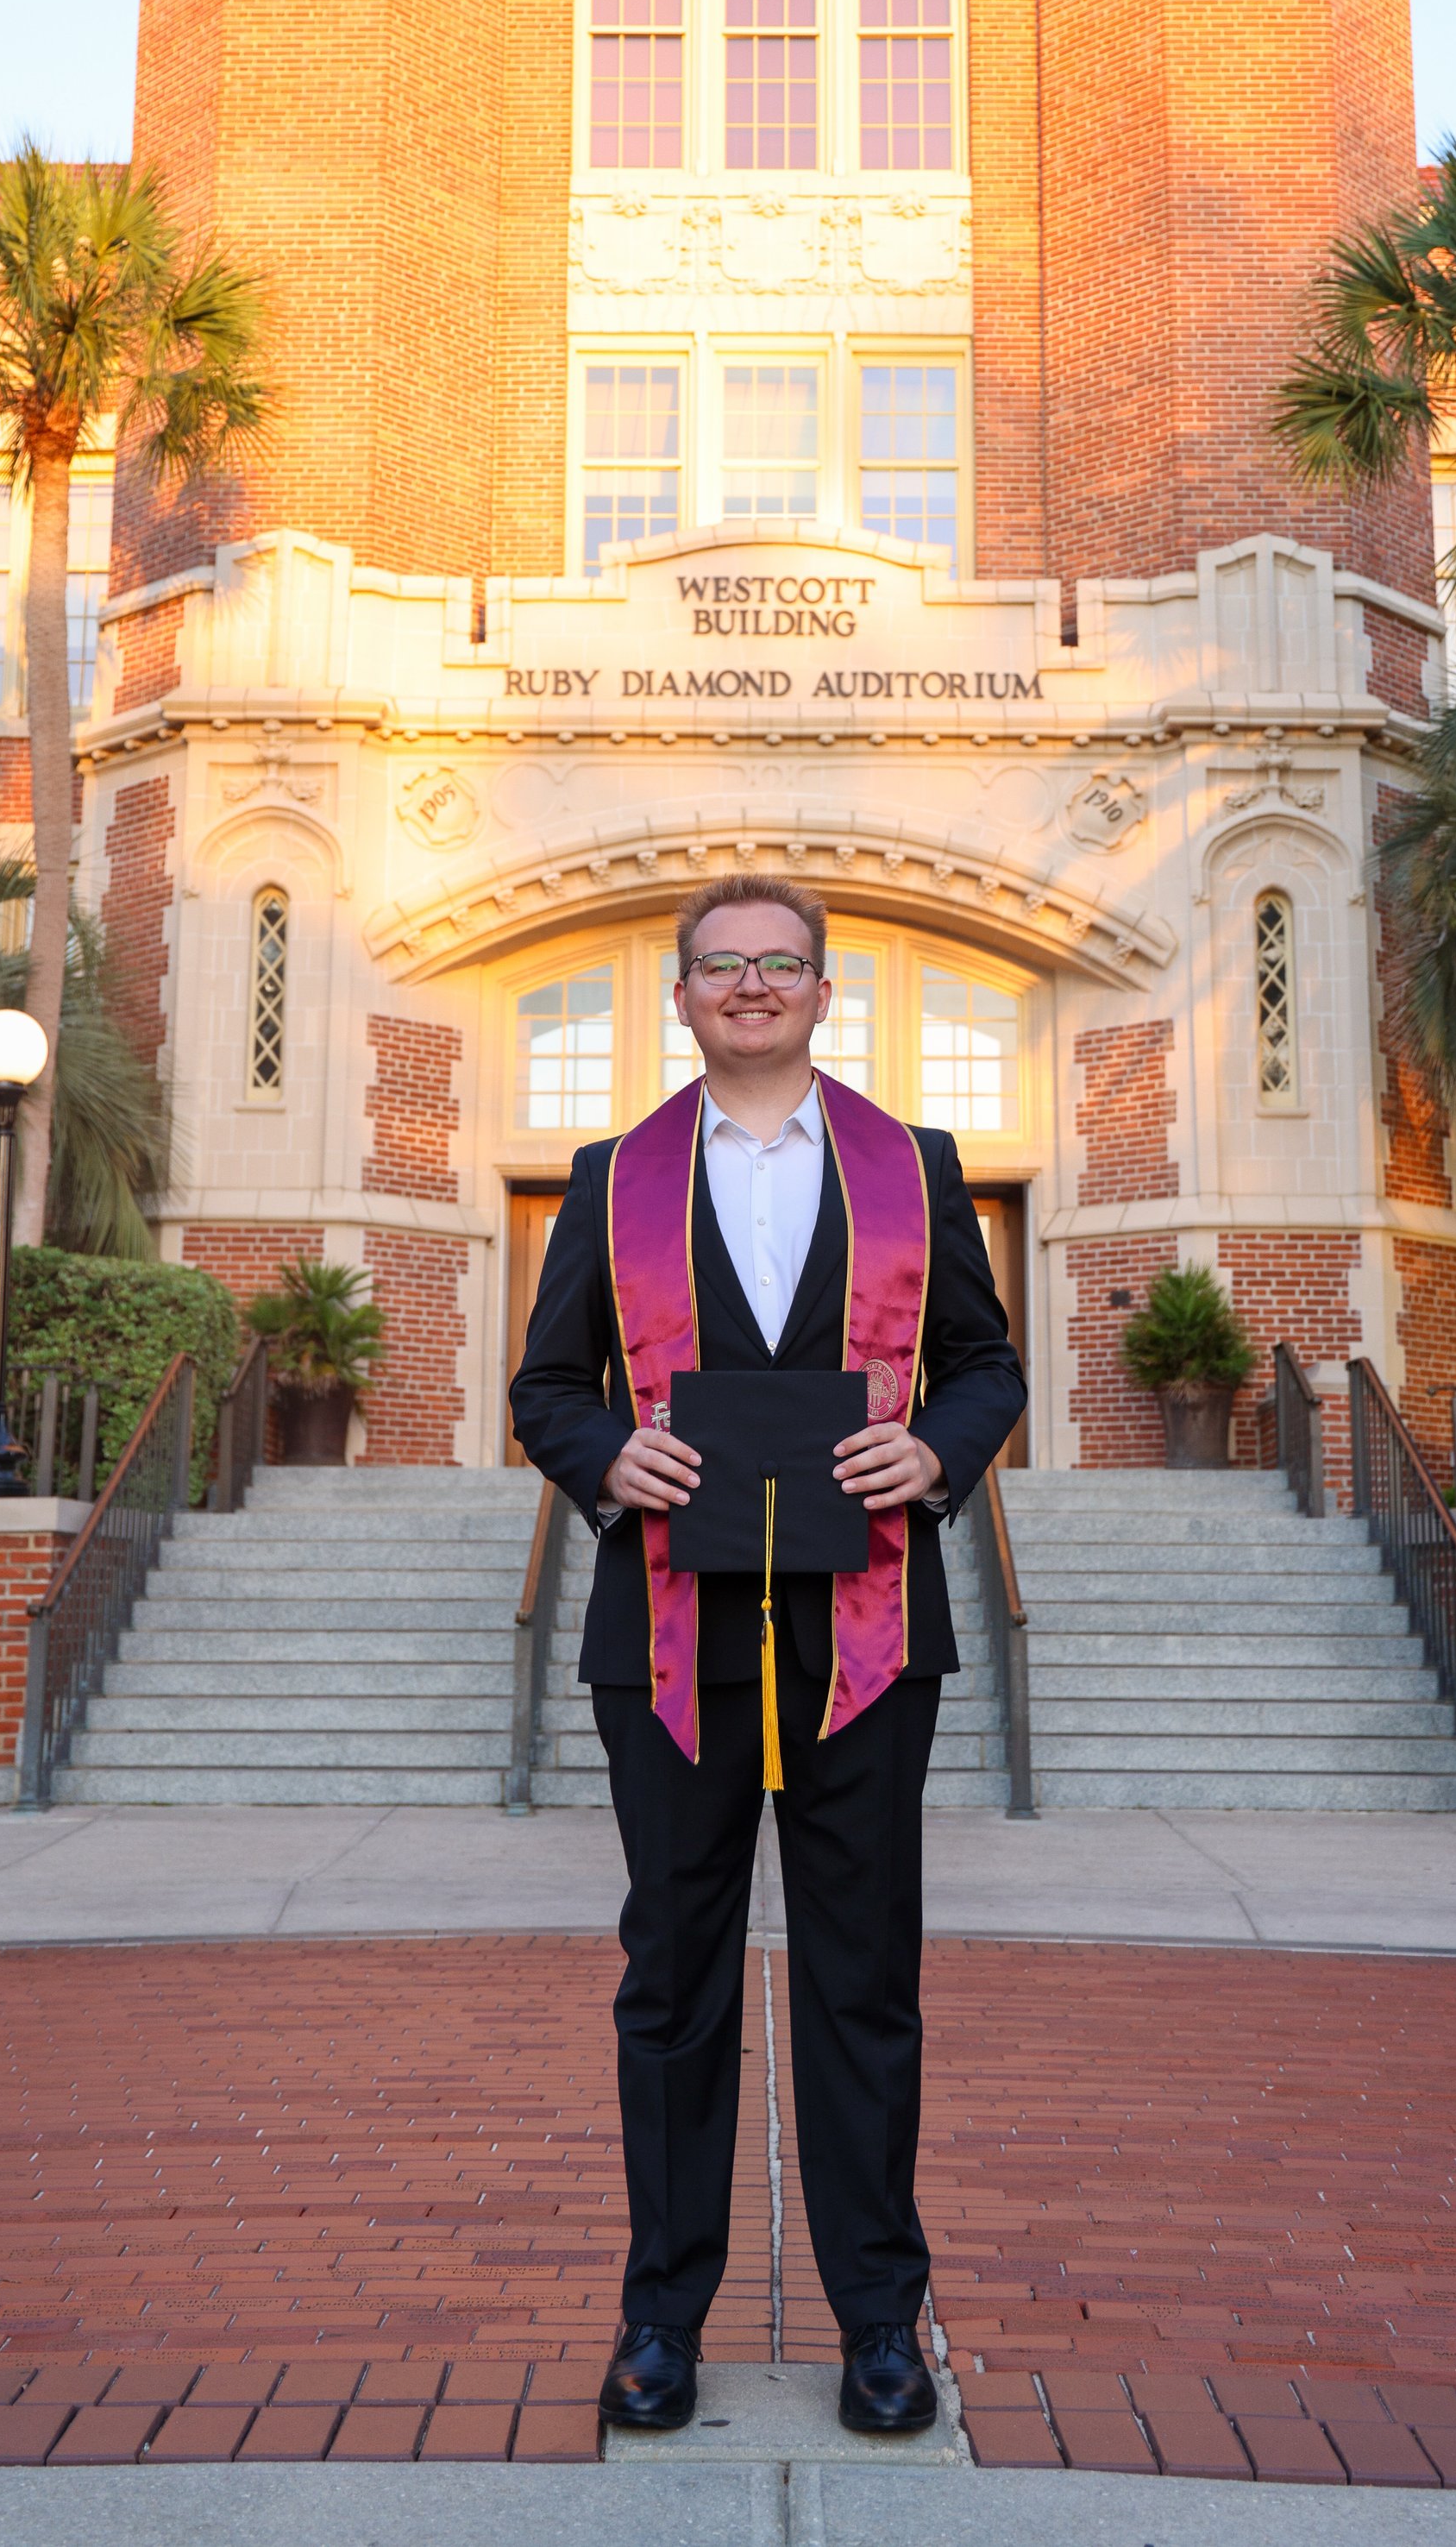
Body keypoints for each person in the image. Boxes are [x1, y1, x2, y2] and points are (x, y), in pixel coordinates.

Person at [510, 875, 1026, 2436]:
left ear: (820, 992)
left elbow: (984, 1364)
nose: (750, 985)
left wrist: (937, 1457)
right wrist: (609, 1461)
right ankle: (661, 2321)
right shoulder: (613, 1179)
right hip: (670, 1637)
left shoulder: (911, 1166)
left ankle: (881, 2322)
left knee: (864, 1982)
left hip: (862, 1632)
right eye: (720, 965)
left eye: (778, 965)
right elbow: (549, 1388)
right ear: (680, 997)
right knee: (672, 1982)